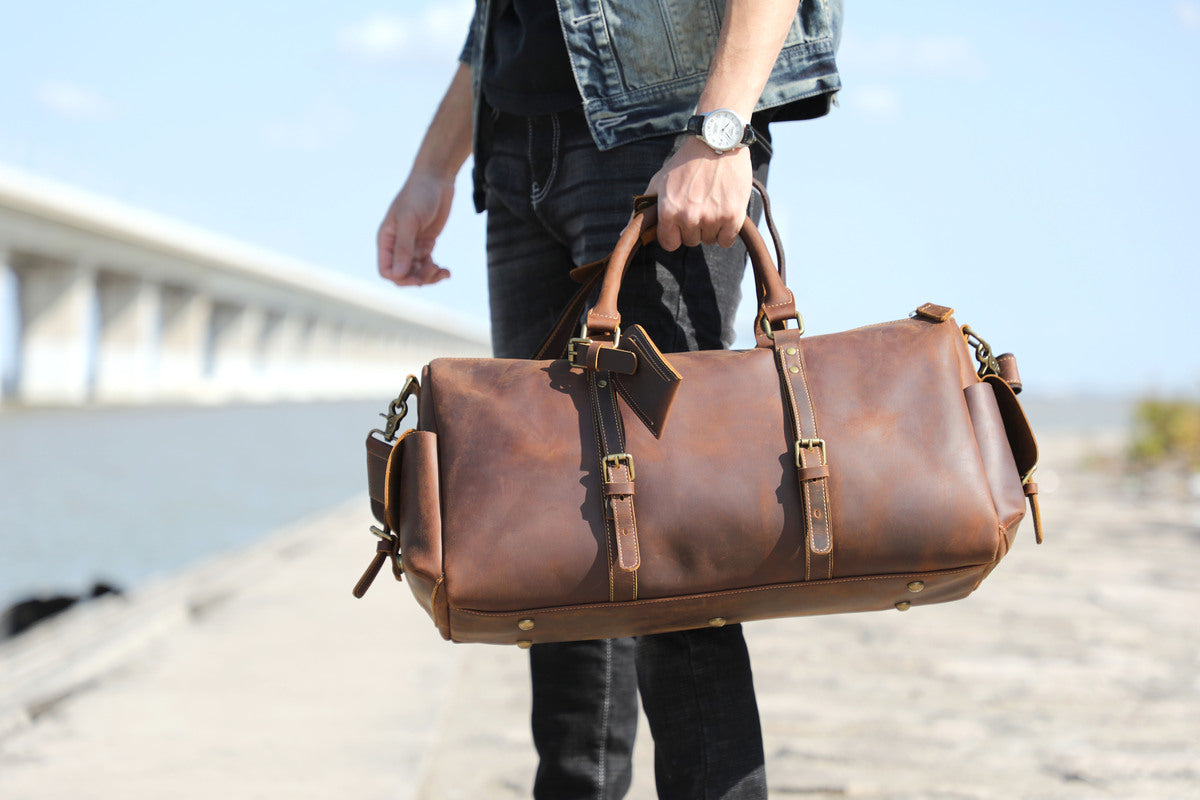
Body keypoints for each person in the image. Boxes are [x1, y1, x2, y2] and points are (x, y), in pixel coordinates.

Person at [377, 2, 842, 797]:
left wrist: (721, 129)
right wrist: (434, 166)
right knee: (557, 541)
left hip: (657, 137)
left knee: (676, 549)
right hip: (519, 148)